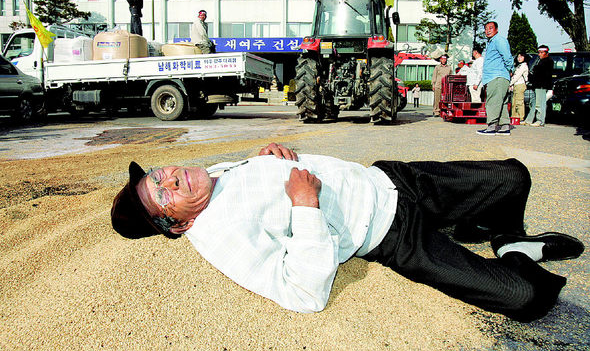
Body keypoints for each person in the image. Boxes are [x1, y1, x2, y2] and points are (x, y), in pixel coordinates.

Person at [111, 143, 584, 322]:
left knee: (513, 176)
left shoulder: (207, 176)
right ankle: (515, 256)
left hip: (393, 179)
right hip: (391, 234)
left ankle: (503, 235)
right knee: (524, 297)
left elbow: (249, 186)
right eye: (163, 195)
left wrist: (263, 158)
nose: (169, 179)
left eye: (157, 175)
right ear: (178, 225)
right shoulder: (220, 238)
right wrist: (305, 204)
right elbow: (303, 294)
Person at [478, 21, 513, 136]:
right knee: (501, 102)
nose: (488, 30)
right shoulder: (491, 42)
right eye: (486, 28)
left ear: (496, 29)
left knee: (493, 101)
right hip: (495, 76)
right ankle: (504, 126)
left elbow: (507, 56)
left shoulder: (499, 40)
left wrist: (510, 69)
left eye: (491, 28)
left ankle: (492, 126)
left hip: (497, 76)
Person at [524, 45, 554, 127]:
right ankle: (529, 119)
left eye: (541, 53)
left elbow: (544, 74)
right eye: (539, 52)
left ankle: (540, 120)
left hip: (542, 85)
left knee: (540, 104)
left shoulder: (548, 61)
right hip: (536, 85)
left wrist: (536, 70)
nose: (539, 54)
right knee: (533, 103)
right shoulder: (539, 61)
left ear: (546, 53)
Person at [510, 52, 530, 121]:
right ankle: (514, 117)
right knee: (514, 102)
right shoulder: (518, 65)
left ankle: (520, 117)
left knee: (519, 102)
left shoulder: (524, 66)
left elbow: (517, 76)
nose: (519, 58)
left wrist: (510, 84)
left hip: (520, 84)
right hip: (516, 84)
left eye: (521, 56)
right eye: (518, 57)